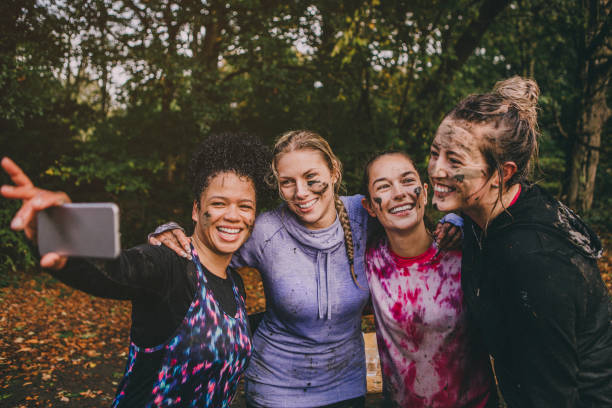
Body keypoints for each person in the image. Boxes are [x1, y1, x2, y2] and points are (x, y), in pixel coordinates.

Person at [150, 130, 462, 407]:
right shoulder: (265, 231)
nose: (301, 192)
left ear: (334, 171)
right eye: (288, 182)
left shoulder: (364, 213)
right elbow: (208, 245)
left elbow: (410, 213)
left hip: (346, 388)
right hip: (275, 390)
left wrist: (455, 221)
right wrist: (167, 230)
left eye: (311, 177)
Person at [0, 132, 271, 407]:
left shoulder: (235, 284)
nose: (233, 215)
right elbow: (116, 271)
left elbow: (230, 334)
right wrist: (60, 234)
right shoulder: (169, 266)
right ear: (196, 210)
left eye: (244, 206)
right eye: (219, 203)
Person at [427, 76, 612, 407]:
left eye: (454, 161)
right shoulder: (482, 216)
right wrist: (456, 218)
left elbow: (553, 397)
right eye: (434, 153)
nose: (436, 170)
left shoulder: (535, 261)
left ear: (501, 173)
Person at [360, 150, 493, 407]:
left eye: (407, 181)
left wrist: (464, 220)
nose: (399, 193)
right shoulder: (369, 261)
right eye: (383, 187)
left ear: (424, 190)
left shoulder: (464, 254)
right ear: (369, 207)